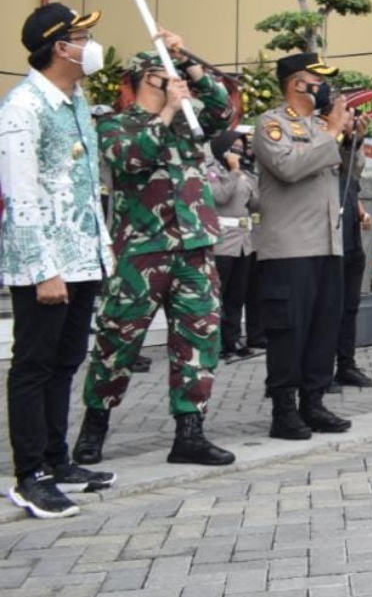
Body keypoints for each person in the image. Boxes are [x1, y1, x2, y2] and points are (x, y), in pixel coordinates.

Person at [73, 44, 238, 469]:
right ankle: (94, 425)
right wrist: (166, 111)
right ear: (150, 77)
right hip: (142, 250)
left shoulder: (189, 121)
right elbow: (130, 159)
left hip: (194, 247)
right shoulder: (115, 124)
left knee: (198, 340)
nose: (180, 81)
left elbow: (223, 112)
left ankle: (190, 433)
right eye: (171, 73)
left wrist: (191, 62)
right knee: (118, 340)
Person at [1, 4, 118, 518]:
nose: (90, 46)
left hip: (82, 257)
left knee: (66, 362)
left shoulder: (76, 101)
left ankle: (57, 459)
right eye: (81, 37)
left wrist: (100, 249)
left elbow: (86, 187)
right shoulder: (23, 106)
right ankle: (31, 475)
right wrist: (42, 268)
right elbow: (20, 195)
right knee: (34, 366)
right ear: (59, 47)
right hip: (45, 263)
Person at [253, 52, 354, 440]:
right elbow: (289, 168)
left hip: (328, 244)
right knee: (289, 332)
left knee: (323, 329)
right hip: (289, 247)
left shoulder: (322, 126)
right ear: (298, 84)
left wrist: (348, 135)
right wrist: (333, 130)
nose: (326, 88)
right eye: (319, 80)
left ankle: (314, 402)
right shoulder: (271, 124)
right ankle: (284, 410)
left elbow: (348, 172)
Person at [208, 128, 261, 362]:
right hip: (222, 241)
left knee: (237, 295)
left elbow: (256, 204)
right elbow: (219, 197)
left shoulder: (245, 173)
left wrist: (251, 178)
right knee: (219, 294)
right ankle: (216, 342)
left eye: (241, 148)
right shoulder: (212, 170)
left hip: (243, 241)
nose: (238, 152)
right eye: (234, 147)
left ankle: (233, 339)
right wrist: (234, 171)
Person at [332, 120, 372, 390]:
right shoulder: (324, 147)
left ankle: (346, 365)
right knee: (329, 310)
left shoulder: (348, 155)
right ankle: (320, 368)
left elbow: (353, 185)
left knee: (350, 309)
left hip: (352, 241)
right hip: (330, 243)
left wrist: (361, 213)